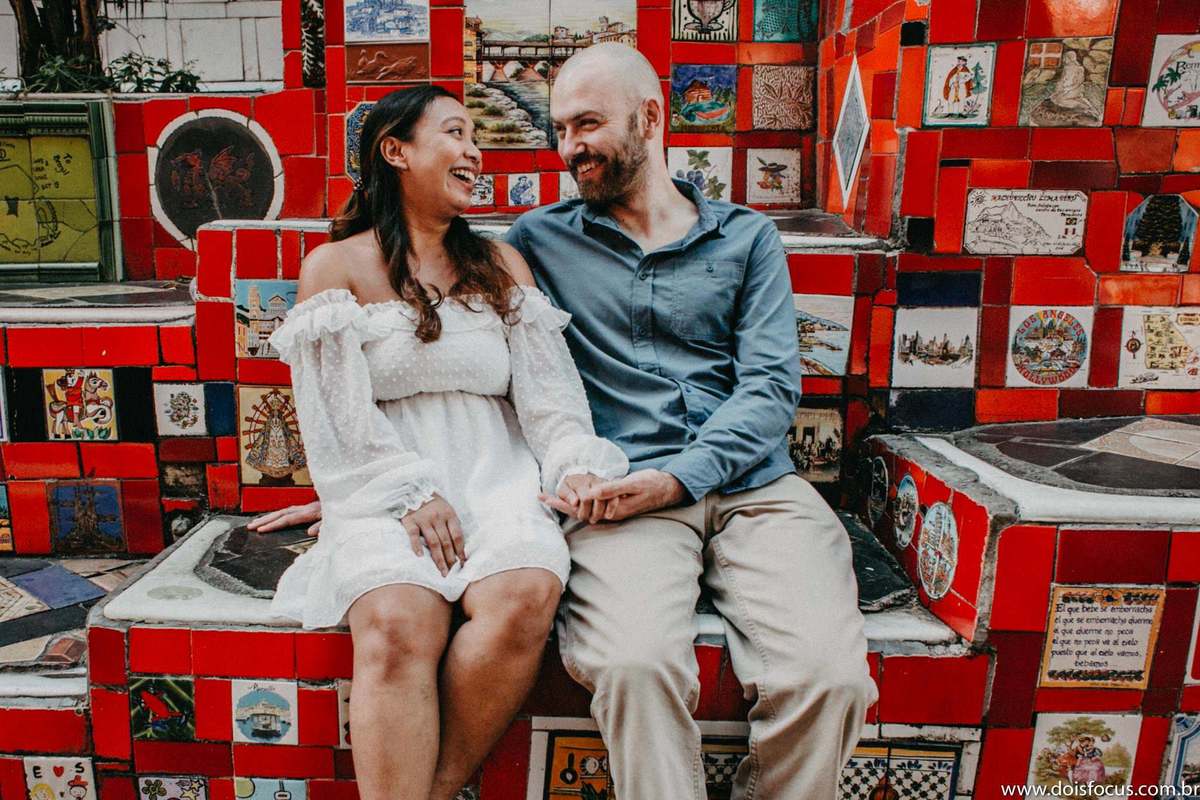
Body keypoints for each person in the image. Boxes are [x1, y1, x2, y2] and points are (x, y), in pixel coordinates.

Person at [255, 43, 877, 799]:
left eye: (586, 124)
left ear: (650, 118)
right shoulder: (534, 242)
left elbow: (770, 388)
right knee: (631, 666)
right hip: (617, 505)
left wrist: (674, 478)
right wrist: (363, 490)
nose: (568, 147)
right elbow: (380, 371)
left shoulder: (745, 238)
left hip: (750, 485)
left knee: (832, 677)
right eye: (559, 129)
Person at [254, 85, 627, 800]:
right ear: (396, 151)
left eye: (474, 137)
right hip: (384, 483)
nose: (474, 151)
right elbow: (332, 419)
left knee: (524, 594)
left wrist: (576, 463)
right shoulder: (335, 269)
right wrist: (406, 491)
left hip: (497, 474)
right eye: (454, 133)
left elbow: (549, 401)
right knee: (396, 626)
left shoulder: (501, 263)